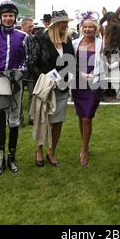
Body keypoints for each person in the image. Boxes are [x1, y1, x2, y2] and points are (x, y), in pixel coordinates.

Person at [0, 1, 28, 176]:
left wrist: (19, 72)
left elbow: (27, 59)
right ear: (1, 17)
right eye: (5, 16)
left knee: (14, 119)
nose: (8, 18)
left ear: (15, 17)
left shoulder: (23, 36)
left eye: (11, 15)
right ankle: (0, 159)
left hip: (15, 82)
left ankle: (11, 158)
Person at [28, 10, 74, 167]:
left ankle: (52, 151)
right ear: (54, 24)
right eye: (63, 23)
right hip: (45, 89)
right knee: (42, 121)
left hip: (62, 88)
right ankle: (39, 150)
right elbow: (32, 64)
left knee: (58, 121)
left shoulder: (67, 41)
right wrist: (47, 79)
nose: (66, 25)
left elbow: (71, 63)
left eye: (66, 23)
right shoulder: (39, 40)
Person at [71, 16, 104, 166]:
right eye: (85, 27)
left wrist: (119, 62)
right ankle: (85, 143)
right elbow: (71, 63)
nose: (88, 29)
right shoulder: (75, 43)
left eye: (91, 26)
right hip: (78, 84)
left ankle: (84, 149)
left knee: (87, 117)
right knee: (80, 116)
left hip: (93, 84)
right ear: (81, 28)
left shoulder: (101, 44)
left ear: (96, 28)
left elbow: (109, 62)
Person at [20, 17, 36, 126]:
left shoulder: (34, 38)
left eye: (32, 26)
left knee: (32, 95)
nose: (31, 28)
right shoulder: (17, 37)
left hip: (31, 72)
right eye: (30, 26)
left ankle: (31, 117)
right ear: (23, 26)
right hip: (19, 72)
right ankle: (19, 119)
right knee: (18, 96)